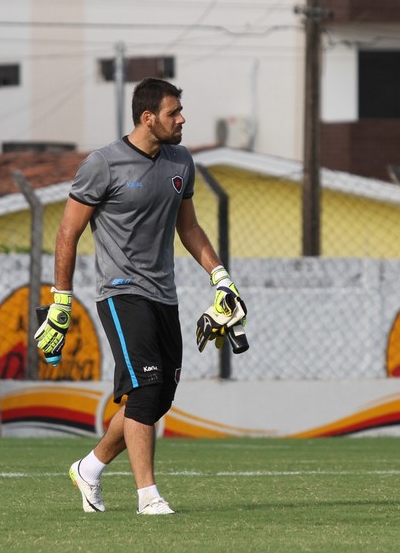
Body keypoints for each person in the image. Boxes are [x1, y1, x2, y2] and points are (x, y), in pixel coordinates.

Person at [34, 77, 245, 515]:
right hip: (120, 293)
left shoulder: (180, 161)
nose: (182, 119)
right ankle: (148, 496)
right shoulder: (103, 164)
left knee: (157, 396)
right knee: (146, 389)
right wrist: (60, 301)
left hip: (163, 295)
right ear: (148, 118)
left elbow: (188, 227)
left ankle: (89, 468)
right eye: (173, 113)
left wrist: (220, 277)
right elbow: (67, 232)